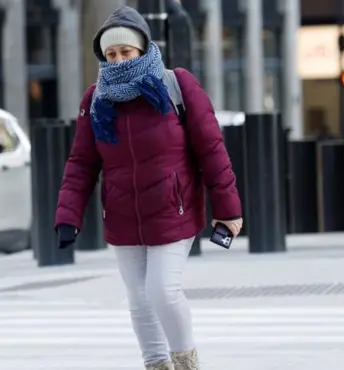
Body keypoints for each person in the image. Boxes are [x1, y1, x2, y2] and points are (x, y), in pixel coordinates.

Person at [54, 6, 243, 370]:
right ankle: (156, 364)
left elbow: (211, 149)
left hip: (175, 207)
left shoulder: (176, 85)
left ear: (142, 48)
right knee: (139, 300)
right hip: (124, 214)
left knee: (162, 290)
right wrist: (68, 216)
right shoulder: (97, 98)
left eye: (126, 52)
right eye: (111, 54)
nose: (119, 59)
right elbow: (81, 163)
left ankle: (186, 363)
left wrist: (228, 209)